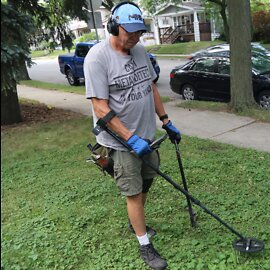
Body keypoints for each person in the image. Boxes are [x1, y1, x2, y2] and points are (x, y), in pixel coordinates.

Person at [84, 2, 180, 269]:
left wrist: (166, 120)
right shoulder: (97, 58)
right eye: (131, 33)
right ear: (114, 27)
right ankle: (144, 245)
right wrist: (130, 138)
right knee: (133, 192)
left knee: (146, 181)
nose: (136, 38)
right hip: (120, 141)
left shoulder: (139, 50)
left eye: (140, 32)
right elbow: (99, 107)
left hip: (147, 135)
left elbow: (150, 86)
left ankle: (134, 221)